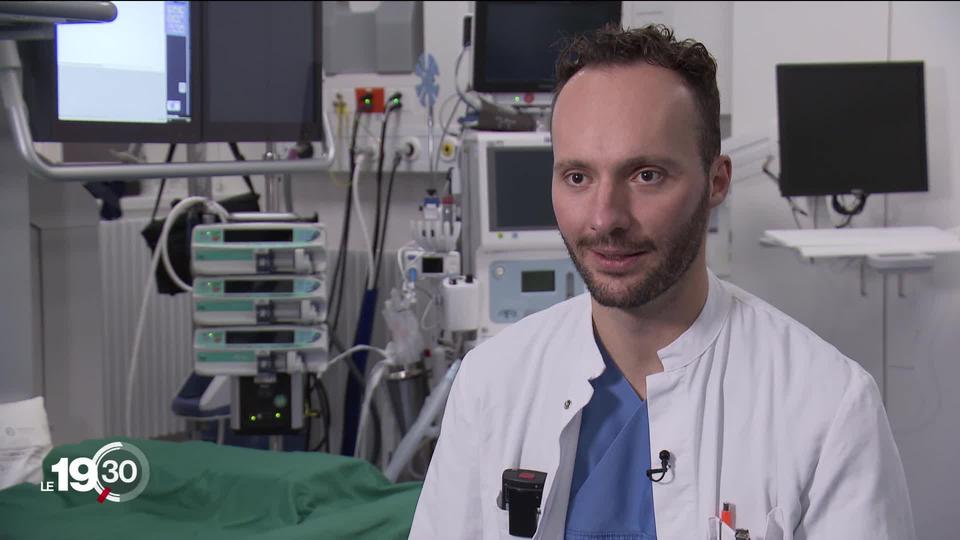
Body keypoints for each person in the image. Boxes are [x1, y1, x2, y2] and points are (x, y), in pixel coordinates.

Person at [409, 24, 914, 540]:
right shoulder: (492, 382)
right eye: (577, 177)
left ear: (716, 181)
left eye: (646, 174)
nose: (605, 218)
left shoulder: (826, 406)